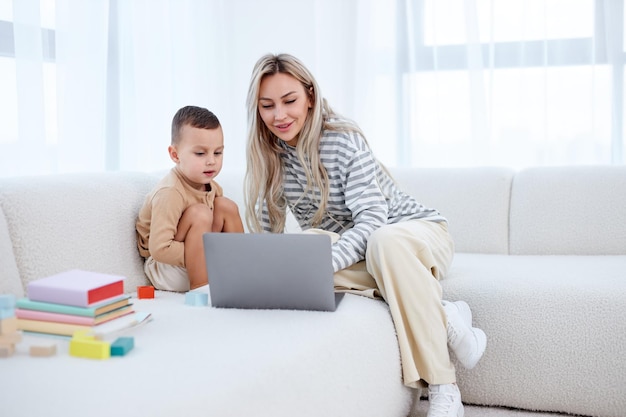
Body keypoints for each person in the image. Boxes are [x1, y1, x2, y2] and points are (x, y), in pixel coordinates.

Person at [243, 53, 486, 417]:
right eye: (268, 106)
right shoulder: (271, 154)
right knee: (304, 250)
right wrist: (259, 273)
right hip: (369, 254)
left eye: (289, 100)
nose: (279, 115)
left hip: (416, 234)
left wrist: (328, 262)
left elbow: (373, 220)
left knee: (381, 242)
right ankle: (443, 313)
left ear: (310, 96)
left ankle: (443, 384)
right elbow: (270, 228)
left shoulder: (341, 139)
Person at [136, 105, 244, 292]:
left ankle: (245, 270)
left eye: (217, 152)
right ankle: (201, 290)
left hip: (198, 258)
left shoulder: (212, 186)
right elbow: (160, 249)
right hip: (166, 268)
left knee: (226, 206)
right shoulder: (170, 193)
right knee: (200, 214)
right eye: (200, 153)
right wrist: (205, 254)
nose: (211, 161)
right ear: (175, 155)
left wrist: (214, 253)